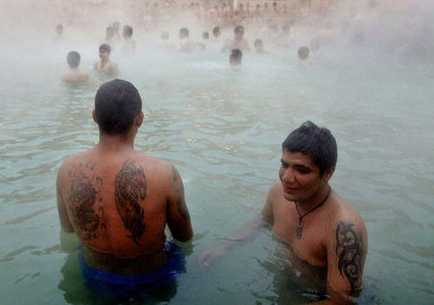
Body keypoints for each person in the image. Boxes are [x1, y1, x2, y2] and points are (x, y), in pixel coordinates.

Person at [199, 121, 367, 303]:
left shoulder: (344, 228)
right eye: (284, 165)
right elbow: (261, 222)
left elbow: (341, 301)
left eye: (301, 170)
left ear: (327, 173)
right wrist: (224, 245)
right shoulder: (279, 192)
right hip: (286, 284)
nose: (287, 177)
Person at [56, 79, 193, 299]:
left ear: (94, 116)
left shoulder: (67, 170)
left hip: (94, 276)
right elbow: (185, 239)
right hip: (154, 279)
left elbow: (68, 232)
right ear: (139, 118)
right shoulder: (165, 173)